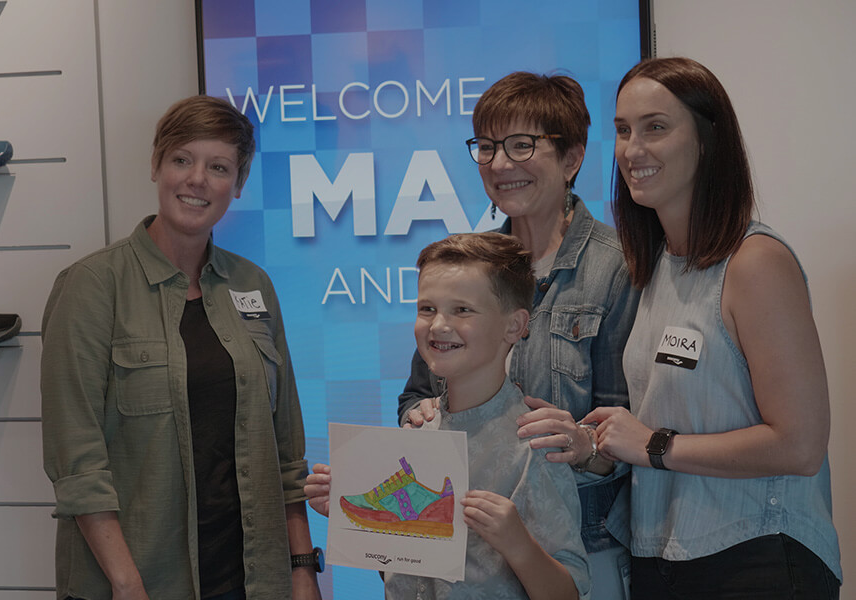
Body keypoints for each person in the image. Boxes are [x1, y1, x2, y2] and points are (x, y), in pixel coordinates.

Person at [40, 96, 322, 600]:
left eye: (218, 167)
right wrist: (127, 585)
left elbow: (285, 448)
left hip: (248, 579)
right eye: (181, 159)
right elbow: (77, 461)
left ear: (237, 184)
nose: (197, 180)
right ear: (156, 164)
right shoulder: (92, 286)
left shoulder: (252, 284)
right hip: (136, 579)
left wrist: (302, 568)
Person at [584, 57, 842, 598]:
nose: (633, 150)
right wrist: (602, 438)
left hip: (757, 559)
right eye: (623, 130)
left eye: (656, 127)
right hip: (662, 559)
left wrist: (653, 444)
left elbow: (799, 445)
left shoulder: (755, 263)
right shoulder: (657, 267)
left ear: (707, 141)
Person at [398, 71, 639, 598]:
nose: (501, 164)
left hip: (579, 551)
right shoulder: (470, 262)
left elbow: (633, 426)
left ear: (571, 158)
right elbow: (419, 390)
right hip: (463, 553)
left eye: (521, 145)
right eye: (487, 147)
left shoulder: (617, 268)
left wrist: (585, 445)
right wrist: (417, 415)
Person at [308, 232, 589, 599]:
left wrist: (517, 544)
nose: (439, 325)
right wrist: (360, 529)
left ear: (514, 325)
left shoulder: (535, 447)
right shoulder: (415, 436)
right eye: (427, 308)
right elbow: (405, 575)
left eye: (462, 310)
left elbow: (568, 592)